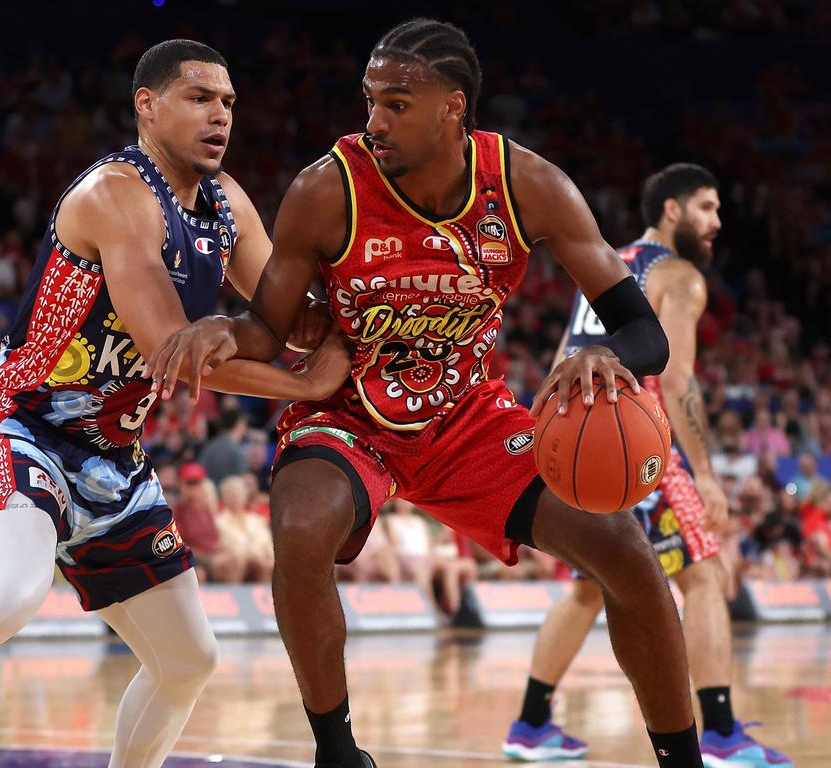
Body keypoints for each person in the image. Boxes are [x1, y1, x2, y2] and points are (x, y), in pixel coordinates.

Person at [150, 18, 706, 768]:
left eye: (397, 104)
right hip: (350, 411)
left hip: (467, 418)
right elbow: (268, 327)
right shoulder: (327, 188)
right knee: (301, 527)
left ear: (454, 107)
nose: (374, 119)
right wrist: (222, 329)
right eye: (370, 99)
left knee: (625, 550)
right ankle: (337, 749)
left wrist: (602, 352)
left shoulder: (528, 186)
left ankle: (683, 758)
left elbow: (645, 332)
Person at [0, 40, 348, 768]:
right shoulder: (115, 195)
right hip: (20, 426)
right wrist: (304, 384)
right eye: (199, 97)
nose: (220, 114)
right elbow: (172, 348)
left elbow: (291, 319)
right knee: (9, 592)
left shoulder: (228, 209)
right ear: (147, 105)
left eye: (228, 102)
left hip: (111, 458)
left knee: (189, 659)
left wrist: (364, 319)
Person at [503, 164, 792, 767]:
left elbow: (563, 360)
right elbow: (678, 379)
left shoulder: (603, 263)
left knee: (591, 587)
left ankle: (531, 723)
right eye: (707, 208)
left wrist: (551, 449)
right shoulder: (680, 276)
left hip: (578, 439)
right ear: (671, 211)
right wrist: (705, 474)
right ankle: (718, 733)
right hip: (638, 442)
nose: (718, 222)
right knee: (705, 575)